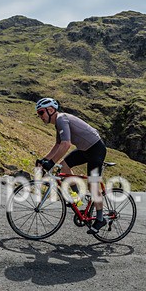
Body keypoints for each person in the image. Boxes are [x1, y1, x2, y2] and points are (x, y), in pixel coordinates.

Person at [34, 97, 109, 233]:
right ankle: (79, 196)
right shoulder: (58, 123)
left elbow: (66, 144)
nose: (40, 116)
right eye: (38, 114)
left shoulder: (61, 119)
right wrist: (44, 159)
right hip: (84, 150)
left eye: (41, 112)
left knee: (93, 185)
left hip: (96, 149)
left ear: (51, 110)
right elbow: (58, 145)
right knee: (64, 167)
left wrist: (51, 162)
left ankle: (100, 219)